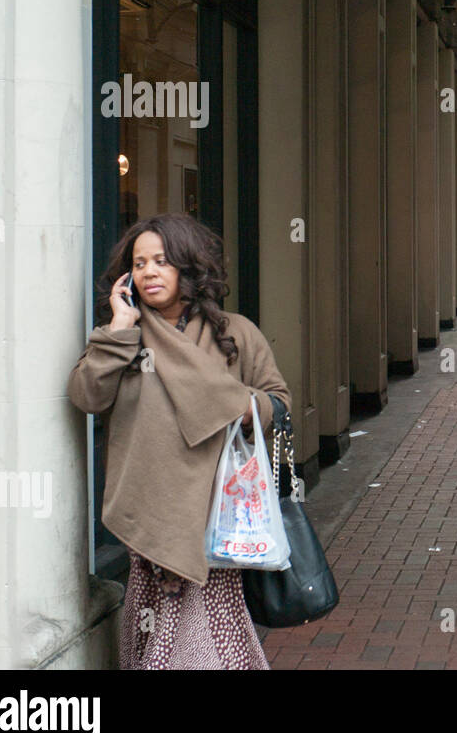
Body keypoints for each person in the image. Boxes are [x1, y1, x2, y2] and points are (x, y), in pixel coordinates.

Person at [68, 212, 291, 670]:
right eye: (140, 262)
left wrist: (233, 403)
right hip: (146, 515)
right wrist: (119, 328)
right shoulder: (124, 335)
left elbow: (278, 402)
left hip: (215, 520)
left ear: (188, 268)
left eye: (163, 261)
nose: (149, 271)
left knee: (200, 641)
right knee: (155, 632)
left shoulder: (235, 333)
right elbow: (86, 395)